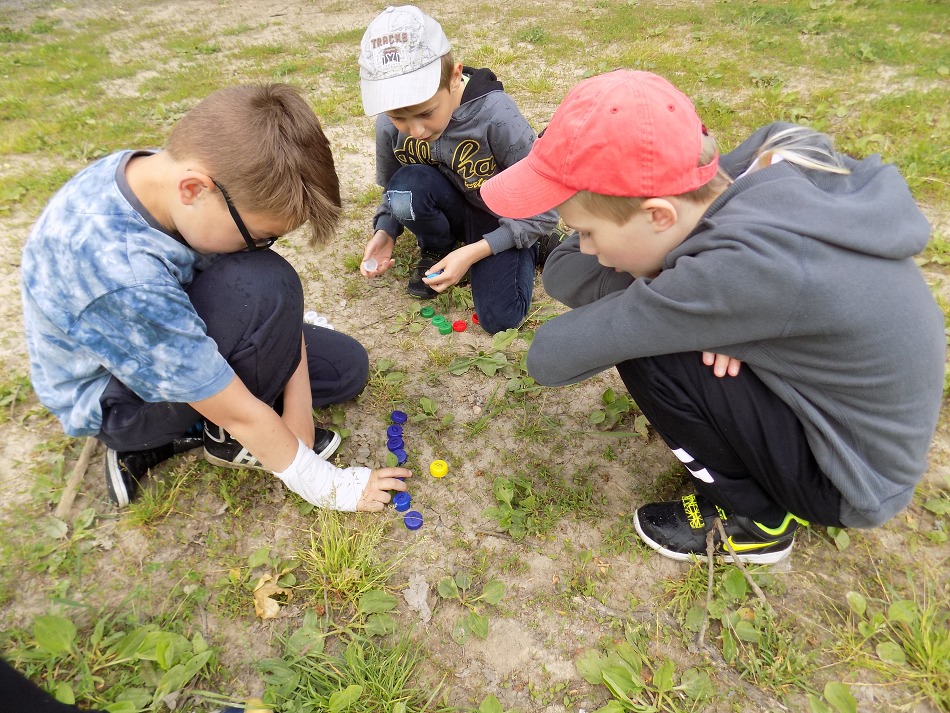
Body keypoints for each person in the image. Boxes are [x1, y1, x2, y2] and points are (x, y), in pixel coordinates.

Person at [480, 70, 945, 563]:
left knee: (648, 351)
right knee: (653, 324)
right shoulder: (765, 162)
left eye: (588, 231)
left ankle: (757, 521)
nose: (586, 247)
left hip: (848, 478)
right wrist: (713, 314)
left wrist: (699, 307)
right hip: (836, 415)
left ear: (659, 215)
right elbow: (563, 274)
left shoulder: (741, 271)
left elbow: (549, 357)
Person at [21, 83, 410, 513]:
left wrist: (297, 420)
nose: (260, 249)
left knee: (344, 368)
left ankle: (240, 416)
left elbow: (278, 303)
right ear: (194, 190)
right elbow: (239, 404)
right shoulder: (121, 273)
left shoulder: (174, 175)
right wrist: (324, 483)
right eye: (260, 237)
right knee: (265, 285)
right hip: (122, 399)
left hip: (169, 326)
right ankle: (205, 439)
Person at [356, 4, 559, 334]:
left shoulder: (495, 114)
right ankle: (440, 244)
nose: (415, 130)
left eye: (426, 113)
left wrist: (478, 251)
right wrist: (385, 231)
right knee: (406, 185)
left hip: (502, 216)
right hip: (449, 204)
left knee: (502, 319)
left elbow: (545, 206)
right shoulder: (388, 126)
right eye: (399, 117)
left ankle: (534, 243)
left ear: (454, 77)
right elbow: (393, 189)